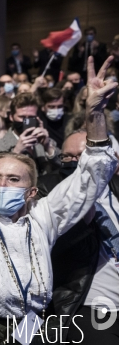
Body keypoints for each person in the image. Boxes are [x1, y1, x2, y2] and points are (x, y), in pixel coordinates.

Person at [0, 57, 118, 342]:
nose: (2, 185)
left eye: (13, 179)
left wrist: (95, 112)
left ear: (32, 192)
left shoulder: (44, 215)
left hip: (35, 327)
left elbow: (91, 176)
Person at [37, 130, 119, 341]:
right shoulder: (48, 189)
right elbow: (51, 247)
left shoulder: (115, 187)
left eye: (80, 156)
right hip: (92, 302)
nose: (74, 162)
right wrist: (83, 217)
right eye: (67, 156)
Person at [0, 92, 59, 175]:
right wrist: (16, 152)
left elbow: (65, 166)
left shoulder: (48, 142)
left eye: (31, 117)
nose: (26, 122)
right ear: (11, 117)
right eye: (22, 117)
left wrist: (48, 148)